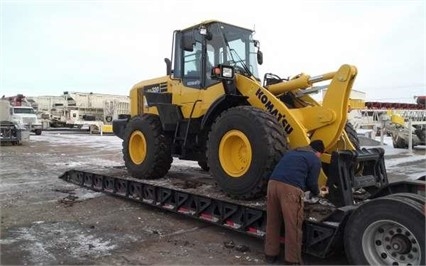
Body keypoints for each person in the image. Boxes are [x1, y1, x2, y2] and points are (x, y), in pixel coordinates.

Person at [264, 139, 328, 265]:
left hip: (272, 185)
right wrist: (319, 193)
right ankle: (292, 260)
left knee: (272, 222)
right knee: (292, 225)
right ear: (319, 152)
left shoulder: (291, 153)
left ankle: (270, 255)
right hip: (290, 190)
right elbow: (311, 183)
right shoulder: (315, 159)